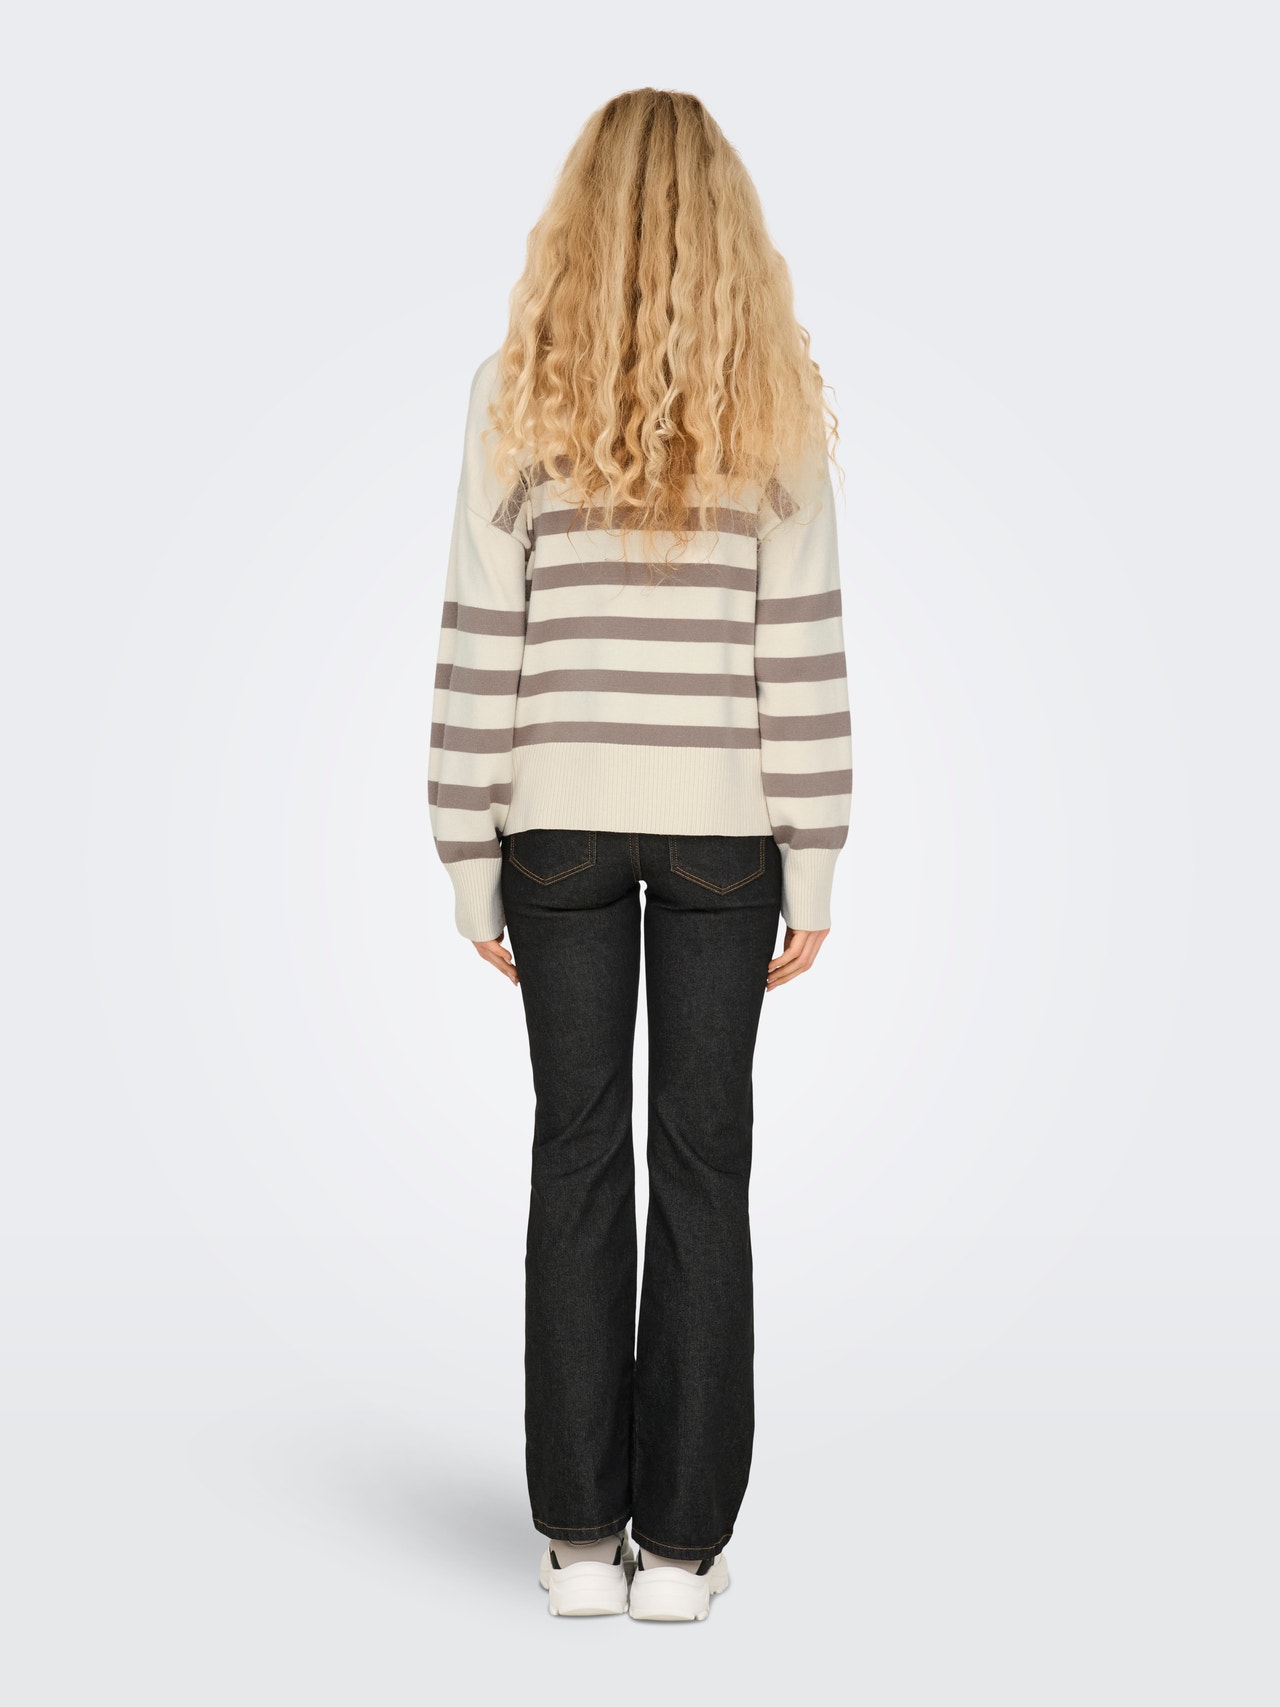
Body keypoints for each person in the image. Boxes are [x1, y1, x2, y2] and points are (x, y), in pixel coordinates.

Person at [428, 87, 851, 1622]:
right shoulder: (775, 399)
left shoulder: (511, 392)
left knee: (577, 1155)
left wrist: (466, 856)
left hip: (554, 830)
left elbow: (481, 637)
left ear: (579, 216)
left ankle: (572, 1546)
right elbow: (800, 651)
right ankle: (676, 1552)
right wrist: (815, 860)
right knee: (704, 1166)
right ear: (730, 225)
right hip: (728, 832)